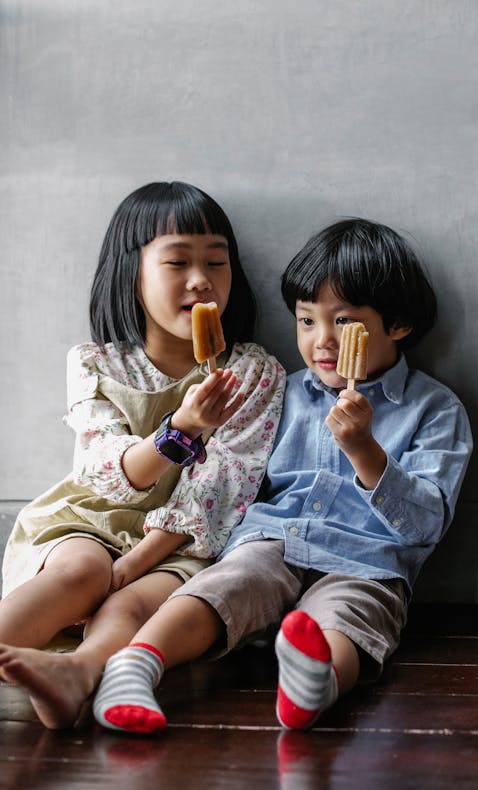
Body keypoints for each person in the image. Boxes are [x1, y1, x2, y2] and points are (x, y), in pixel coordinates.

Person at [0, 181, 285, 728]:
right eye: (177, 261)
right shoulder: (95, 363)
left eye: (217, 263)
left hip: (182, 540)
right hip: (92, 519)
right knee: (81, 571)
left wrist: (131, 565)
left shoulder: (252, 372)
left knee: (126, 605)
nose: (202, 280)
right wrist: (180, 429)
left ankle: (78, 674)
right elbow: (101, 467)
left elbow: (223, 484)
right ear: (131, 276)